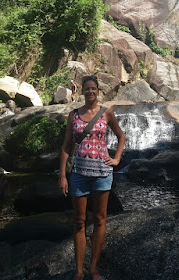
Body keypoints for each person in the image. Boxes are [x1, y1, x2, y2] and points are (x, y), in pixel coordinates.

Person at [59, 75, 125, 280]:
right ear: (82, 91)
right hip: (79, 174)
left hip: (102, 175)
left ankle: (93, 268)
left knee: (99, 219)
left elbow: (121, 136)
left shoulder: (107, 113)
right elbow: (66, 146)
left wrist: (116, 158)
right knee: (79, 221)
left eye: (93, 89)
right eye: (87, 89)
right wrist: (62, 175)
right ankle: (79, 271)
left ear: (98, 91)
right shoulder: (74, 115)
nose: (90, 92)